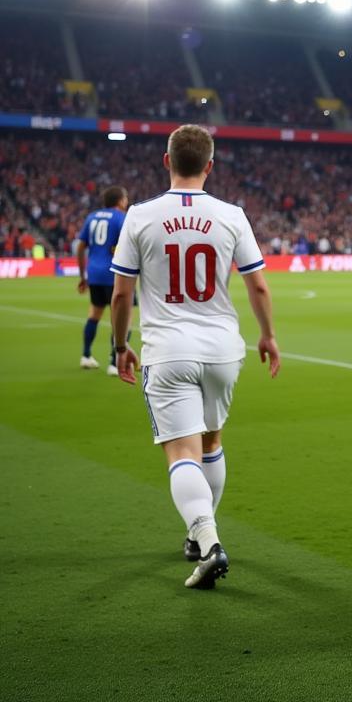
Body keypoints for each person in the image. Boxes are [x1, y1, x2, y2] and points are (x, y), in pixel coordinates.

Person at [110, 125, 280, 590]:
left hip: (168, 350)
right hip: (224, 349)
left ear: (167, 162)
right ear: (209, 165)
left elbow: (122, 293)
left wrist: (119, 344)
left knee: (180, 452)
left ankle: (207, 540)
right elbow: (258, 284)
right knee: (210, 443)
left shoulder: (141, 215)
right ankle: (198, 531)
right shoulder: (231, 214)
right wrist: (267, 336)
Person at [76, 185, 130, 374]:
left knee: (94, 314)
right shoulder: (121, 218)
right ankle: (115, 363)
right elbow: (126, 246)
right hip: (114, 274)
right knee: (122, 319)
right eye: (125, 198)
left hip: (94, 274)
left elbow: (81, 247)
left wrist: (83, 276)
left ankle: (86, 355)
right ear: (120, 200)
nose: (127, 201)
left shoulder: (92, 217)